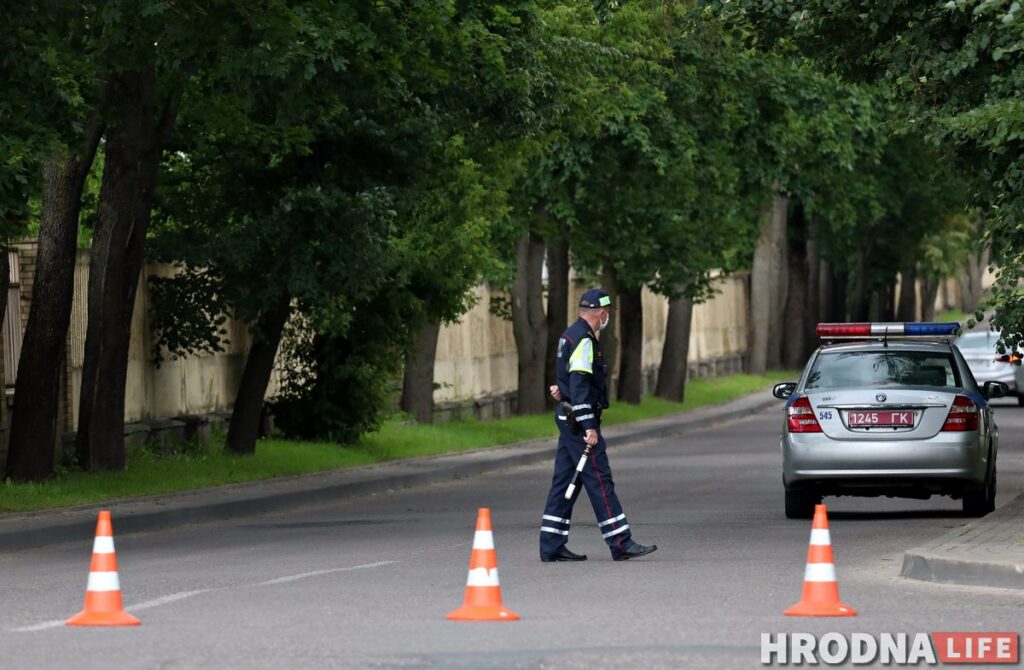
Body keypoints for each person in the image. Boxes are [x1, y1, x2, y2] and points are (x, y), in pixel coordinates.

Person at [539, 288, 657, 562]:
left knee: (564, 482)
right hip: (579, 422)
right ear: (601, 313)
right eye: (608, 313)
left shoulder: (570, 334)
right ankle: (621, 542)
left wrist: (561, 391)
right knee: (600, 480)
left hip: (568, 417)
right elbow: (580, 385)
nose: (608, 318)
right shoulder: (584, 340)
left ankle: (551, 545)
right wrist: (589, 426)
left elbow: (567, 378)